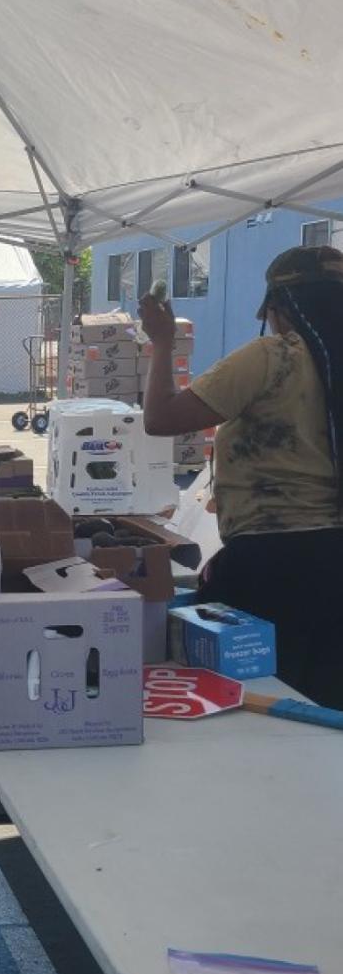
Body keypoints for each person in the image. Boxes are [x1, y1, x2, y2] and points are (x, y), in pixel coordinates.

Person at [140, 244, 343, 708]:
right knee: (328, 703)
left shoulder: (274, 357)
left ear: (279, 308)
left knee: (260, 703)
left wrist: (163, 341)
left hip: (273, 563)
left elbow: (162, 418)